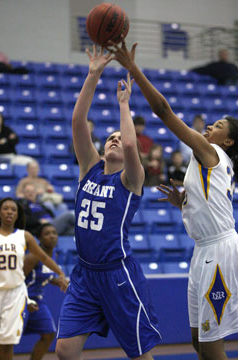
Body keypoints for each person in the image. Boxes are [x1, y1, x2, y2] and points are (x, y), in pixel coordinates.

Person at [110, 39, 238, 360]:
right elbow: (213, 205)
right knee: (197, 341)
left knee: (210, 348)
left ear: (229, 140)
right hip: (203, 250)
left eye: (218, 125)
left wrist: (133, 69)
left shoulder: (210, 151)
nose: (210, 126)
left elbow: (163, 111)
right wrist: (185, 202)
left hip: (219, 251)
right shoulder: (209, 160)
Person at [55, 45, 161, 360]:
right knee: (64, 351)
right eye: (109, 137)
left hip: (118, 274)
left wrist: (123, 104)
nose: (115, 138)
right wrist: (93, 74)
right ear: (101, 150)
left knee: (140, 355)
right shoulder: (89, 169)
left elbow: (131, 143)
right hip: (86, 274)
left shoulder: (131, 179)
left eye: (119, 136)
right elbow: (78, 122)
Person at [0, 197, 67, 360]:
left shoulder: (26, 237)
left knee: (9, 343)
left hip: (20, 297)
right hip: (14, 295)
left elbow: (45, 266)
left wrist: (61, 276)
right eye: (6, 208)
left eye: (13, 209)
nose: (9, 212)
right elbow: (22, 274)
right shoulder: (29, 255)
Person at [23, 223, 69, 360]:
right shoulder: (33, 257)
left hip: (38, 301)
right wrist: (25, 301)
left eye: (54, 233)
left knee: (48, 333)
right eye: (47, 234)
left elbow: (47, 276)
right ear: (39, 239)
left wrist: (60, 281)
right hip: (21, 300)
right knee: (8, 339)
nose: (52, 236)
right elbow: (17, 280)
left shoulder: (53, 254)